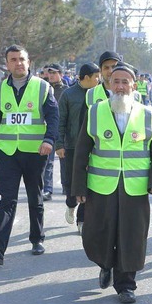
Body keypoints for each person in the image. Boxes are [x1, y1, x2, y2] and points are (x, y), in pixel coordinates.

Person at [72, 63, 152, 303]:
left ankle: (126, 284)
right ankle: (105, 264)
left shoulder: (148, 114)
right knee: (98, 235)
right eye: (116, 81)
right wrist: (78, 188)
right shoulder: (95, 112)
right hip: (101, 187)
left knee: (132, 236)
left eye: (125, 82)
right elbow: (82, 151)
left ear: (134, 86)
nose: (120, 86)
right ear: (108, 84)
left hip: (134, 189)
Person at [0, 45, 59, 265]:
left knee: (35, 197)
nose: (18, 63)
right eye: (13, 59)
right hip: (8, 153)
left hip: (35, 152)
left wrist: (48, 140)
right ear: (7, 64)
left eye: (22, 59)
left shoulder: (42, 87)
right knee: (7, 199)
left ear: (28, 62)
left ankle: (37, 238)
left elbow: (53, 117)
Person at [56, 62, 101, 235]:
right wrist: (59, 145)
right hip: (71, 146)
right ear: (87, 77)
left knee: (87, 184)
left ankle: (82, 220)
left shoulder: (99, 95)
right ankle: (70, 204)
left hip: (92, 147)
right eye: (96, 77)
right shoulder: (68, 94)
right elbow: (61, 121)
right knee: (70, 183)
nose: (98, 80)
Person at [43, 63, 68, 200]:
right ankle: (47, 189)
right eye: (49, 73)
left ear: (60, 74)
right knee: (48, 161)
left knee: (65, 161)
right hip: (49, 130)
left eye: (54, 73)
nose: (51, 75)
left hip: (63, 131)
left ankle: (66, 186)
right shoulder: (43, 89)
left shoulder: (66, 90)